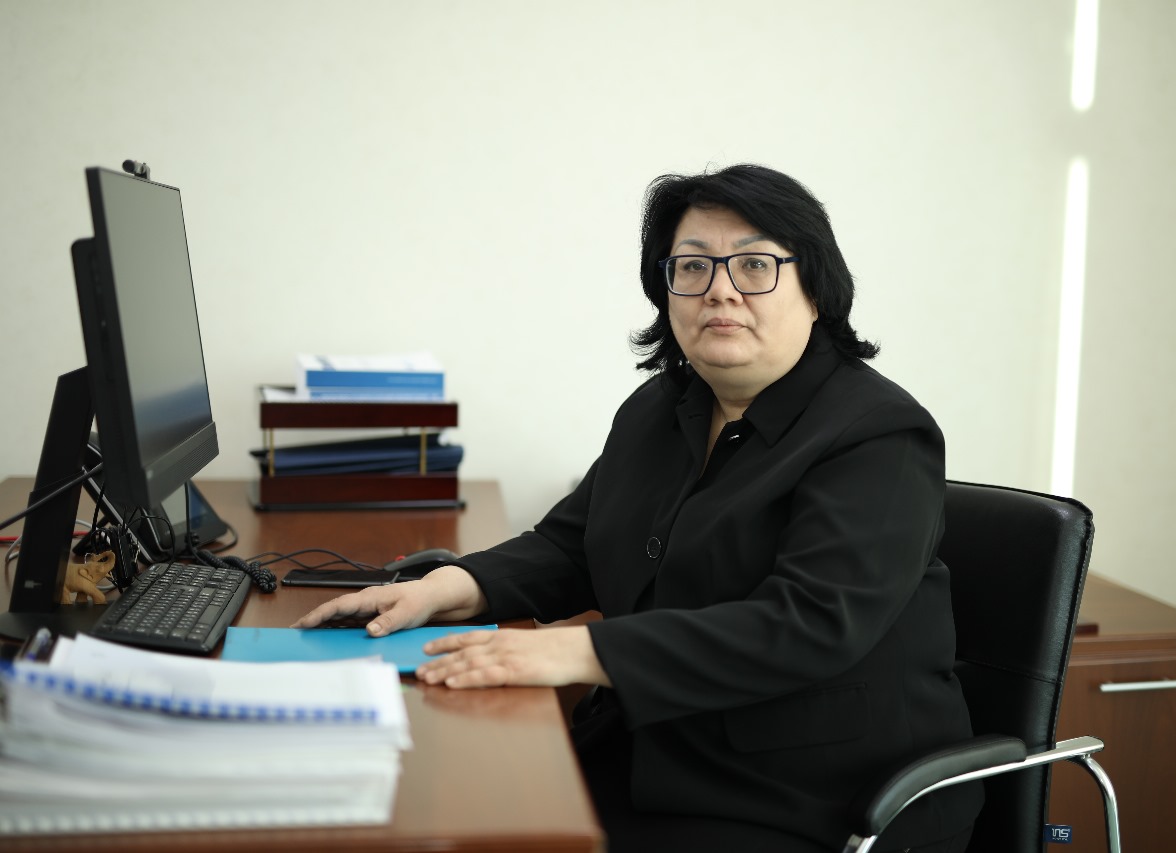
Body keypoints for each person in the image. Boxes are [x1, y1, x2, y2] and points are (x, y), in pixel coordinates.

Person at [294, 164, 983, 852]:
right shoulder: (661, 407)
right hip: (651, 749)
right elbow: (572, 545)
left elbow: (809, 625)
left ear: (815, 288)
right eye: (693, 266)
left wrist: (574, 650)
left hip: (805, 793)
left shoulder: (879, 434)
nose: (719, 289)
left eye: (754, 265)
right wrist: (446, 586)